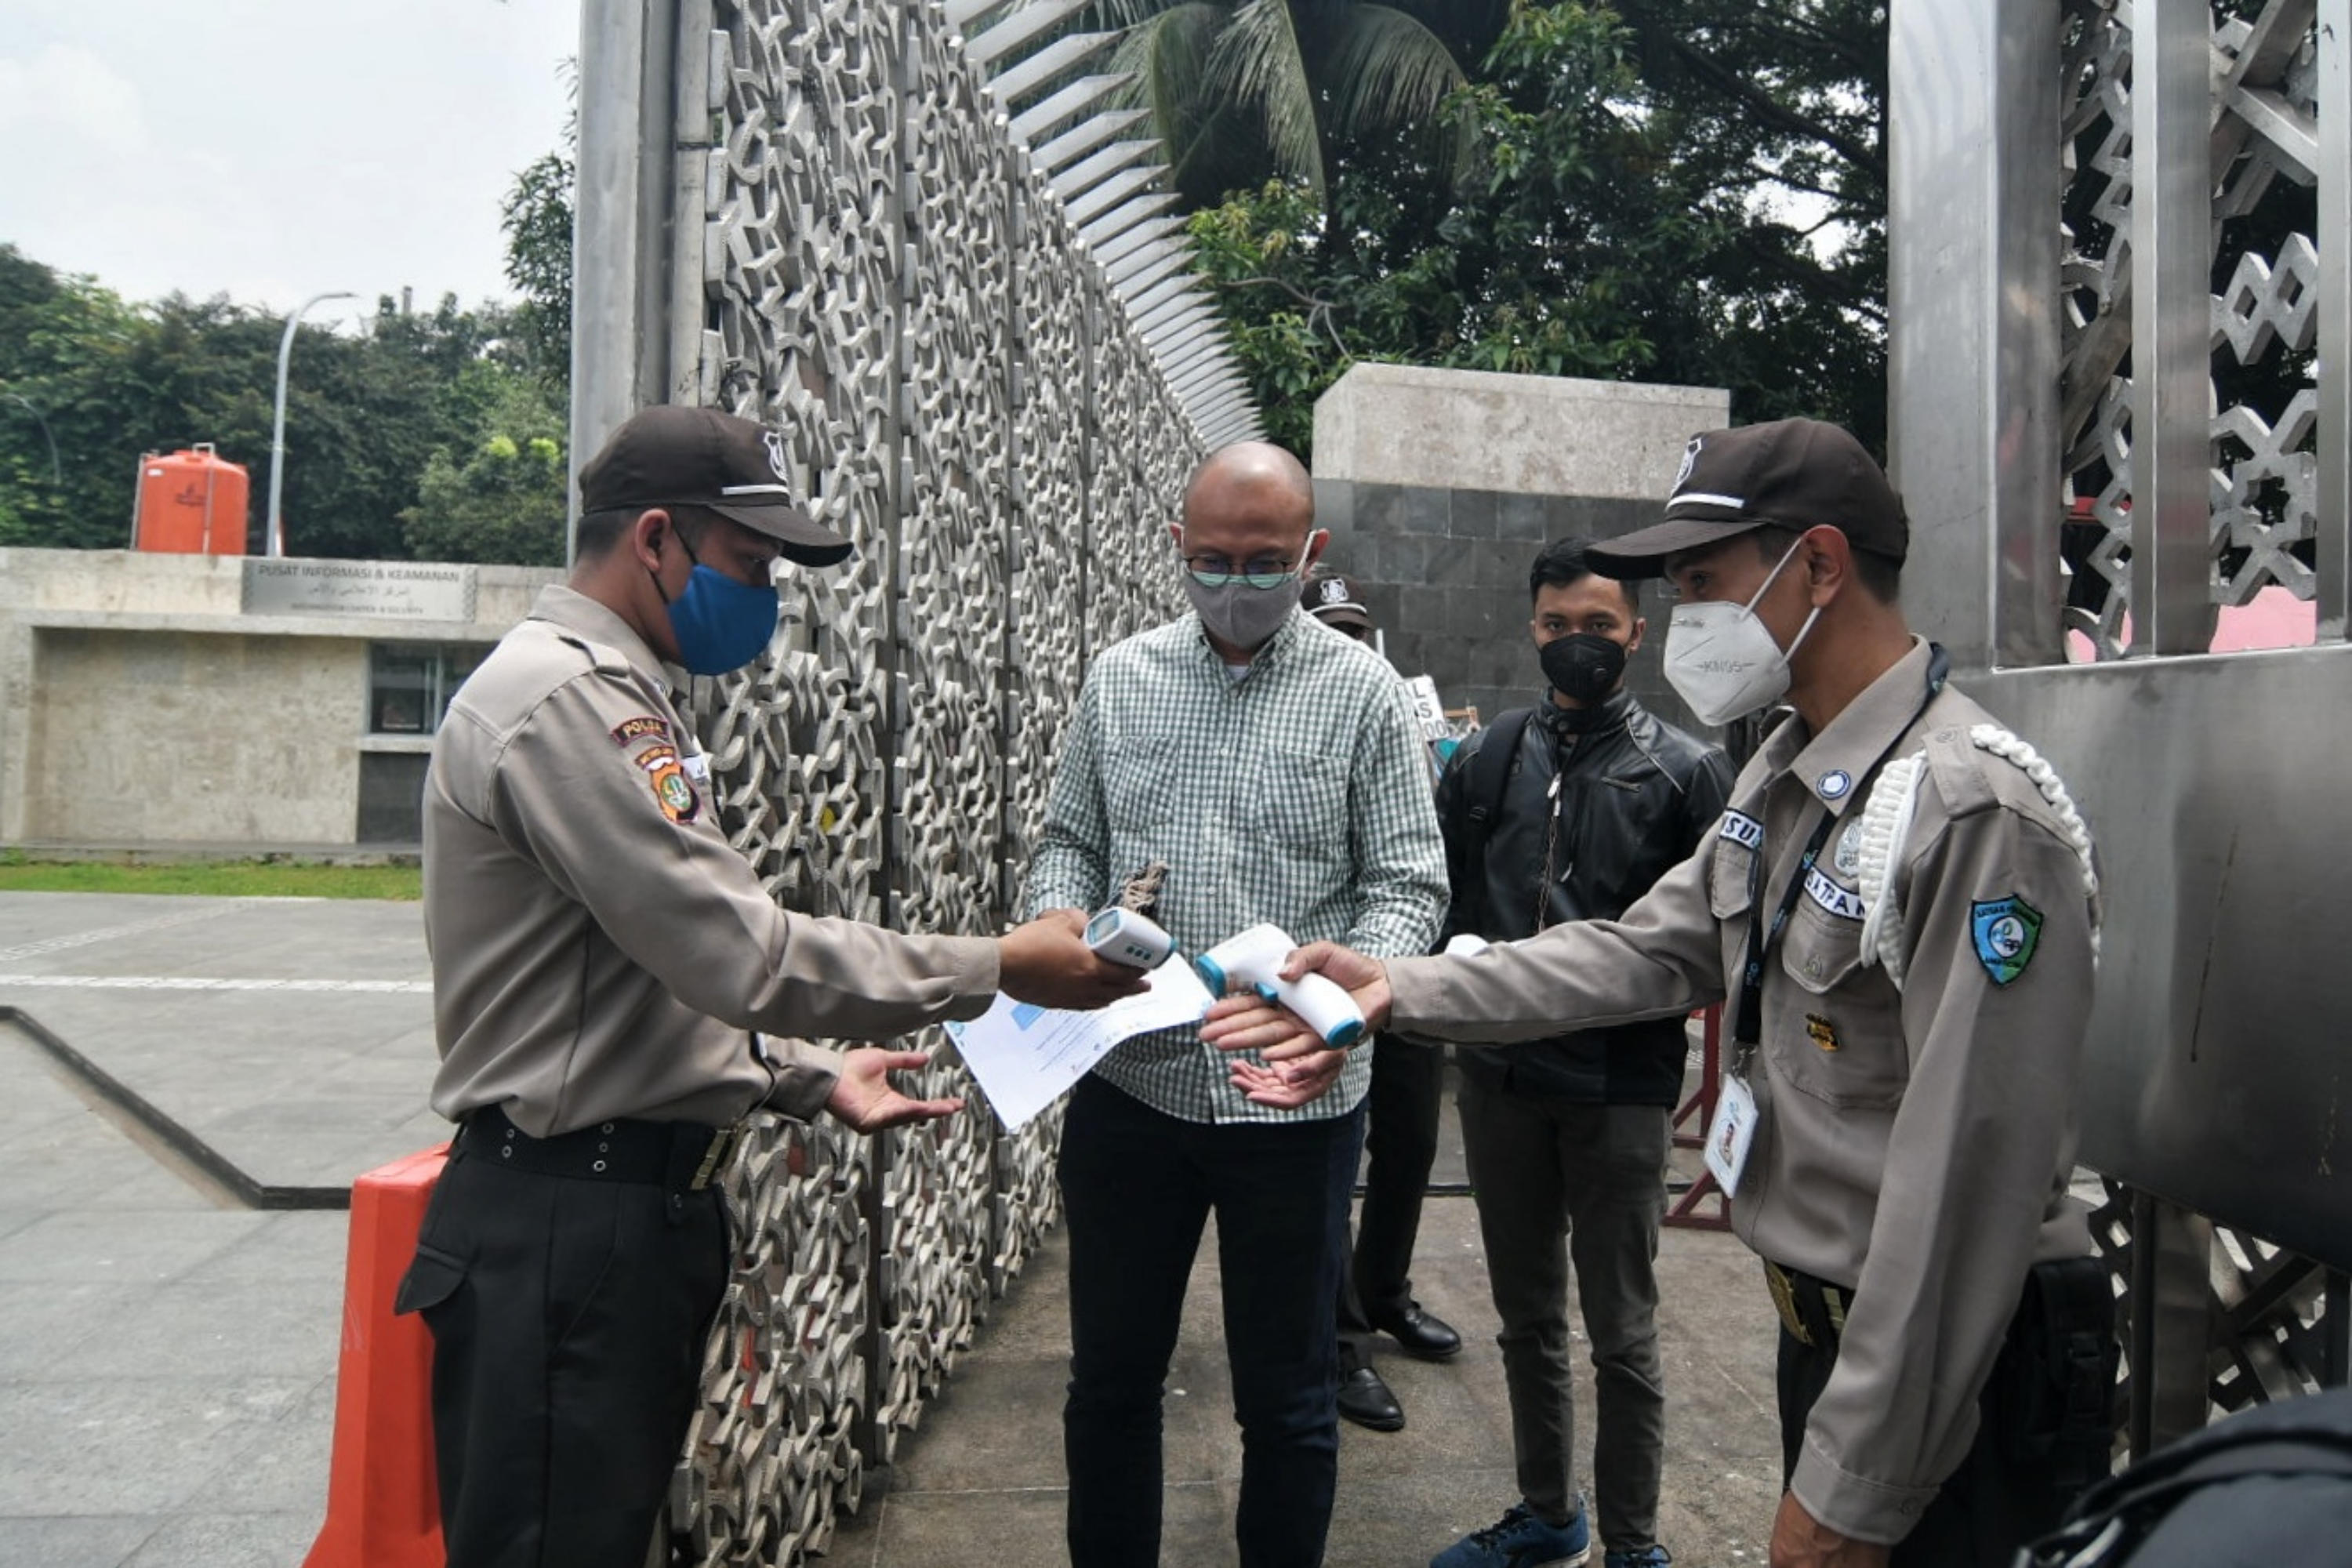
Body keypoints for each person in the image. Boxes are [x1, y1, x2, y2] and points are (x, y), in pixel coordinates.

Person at [1205, 419, 2111, 1568]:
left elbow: (1968, 1193)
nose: (1685, 623)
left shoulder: (1968, 812)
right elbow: (1640, 952)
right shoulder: (1790, 773)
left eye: (1702, 585)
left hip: (1954, 1367)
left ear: (1820, 566)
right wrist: (1397, 982)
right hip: (1834, 1336)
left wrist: (1850, 1492)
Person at [395, 404, 1145, 1568]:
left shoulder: (615, 688)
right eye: (747, 564)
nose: (765, 596)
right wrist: (1000, 966)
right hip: (564, 1224)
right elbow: (741, 953)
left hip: (608, 1213)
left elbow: (631, 982)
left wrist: (798, 1077)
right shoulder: (568, 703)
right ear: (654, 539)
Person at [1024, 441, 1448, 1568]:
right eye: (1211, 560)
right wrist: (1066, 929)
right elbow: (1070, 840)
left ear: (1311, 557)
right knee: (1111, 1379)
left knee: (1291, 1395)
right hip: (1134, 1087)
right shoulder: (1122, 678)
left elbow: (1409, 882)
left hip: (1296, 1105)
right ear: (1177, 549)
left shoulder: (1362, 696)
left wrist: (1336, 1012)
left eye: (1266, 562)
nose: (1237, 583)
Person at [1430, 538, 1731, 1568]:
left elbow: (1707, 944)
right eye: (1559, 627)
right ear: (1533, 628)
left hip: (1620, 1090)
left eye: (1599, 628)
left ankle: (1634, 1545)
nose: (1578, 647)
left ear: (1637, 635)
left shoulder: (1686, 771)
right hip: (1502, 1078)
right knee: (1525, 1318)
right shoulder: (1491, 757)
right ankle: (1547, 1513)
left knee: (1624, 1335)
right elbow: (1453, 898)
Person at [1298, 564, 1465, 1432]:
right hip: (1321, 984)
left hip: (1401, 967)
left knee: (1408, 1146)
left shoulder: (1398, 707)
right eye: (1329, 627)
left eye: (1356, 629)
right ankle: (1342, 1342)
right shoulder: (1288, 713)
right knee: (1335, 1158)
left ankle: (1386, 1287)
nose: (1345, 643)